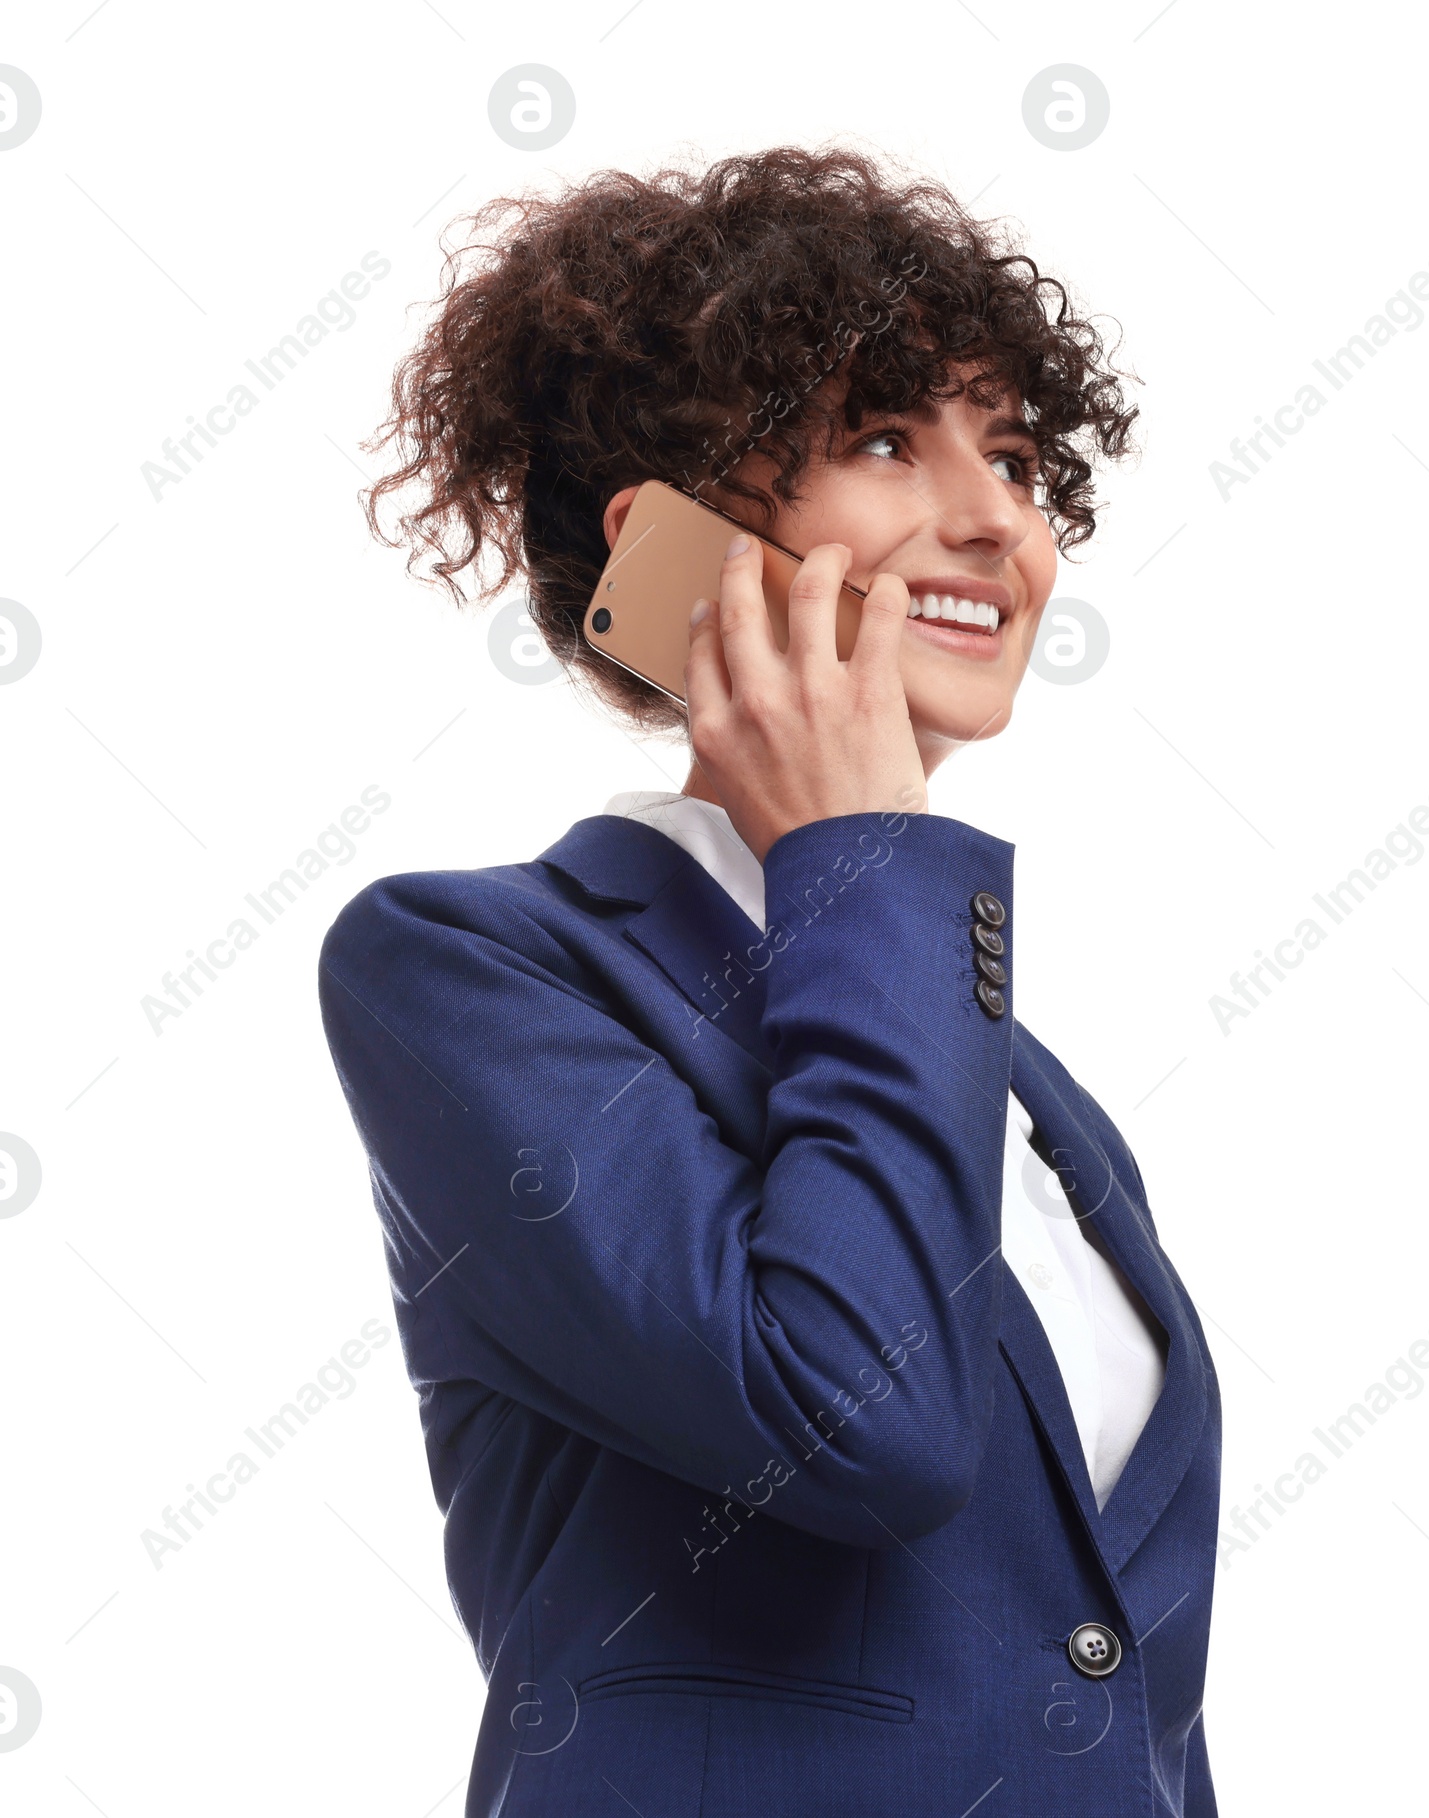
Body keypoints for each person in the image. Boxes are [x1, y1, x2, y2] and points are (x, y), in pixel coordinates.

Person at [319, 145, 1222, 1817]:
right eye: (886, 437)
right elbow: (861, 1421)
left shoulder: (1027, 1099)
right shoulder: (465, 969)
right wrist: (861, 852)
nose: (994, 520)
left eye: (1016, 456)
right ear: (666, 537)